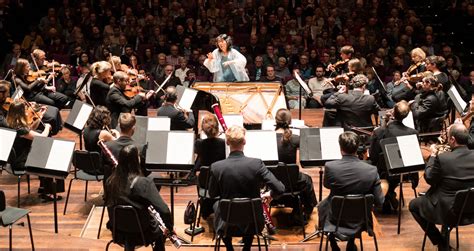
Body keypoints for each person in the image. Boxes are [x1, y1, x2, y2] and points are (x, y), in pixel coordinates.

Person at [208, 126, 285, 251]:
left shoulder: (216, 167)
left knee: (218, 204)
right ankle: (247, 247)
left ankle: (229, 248)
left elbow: (212, 194)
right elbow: (280, 188)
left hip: (227, 223)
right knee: (251, 208)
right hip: (253, 222)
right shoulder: (256, 164)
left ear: (227, 142)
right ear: (244, 142)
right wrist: (269, 194)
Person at [409, 123, 474, 251]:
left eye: (448, 136)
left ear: (453, 140)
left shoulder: (443, 159)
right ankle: (445, 232)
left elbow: (429, 178)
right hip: (470, 209)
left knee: (413, 206)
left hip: (447, 210)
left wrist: (433, 155)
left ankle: (441, 242)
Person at [318, 131, 384, 251]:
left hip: (335, 217)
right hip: (361, 218)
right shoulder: (372, 170)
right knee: (355, 204)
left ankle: (333, 242)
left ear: (340, 148)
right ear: (357, 147)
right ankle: (351, 241)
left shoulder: (330, 167)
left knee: (322, 206)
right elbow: (380, 201)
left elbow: (327, 185)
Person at [105, 144, 172, 251]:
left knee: (131, 220)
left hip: (118, 231)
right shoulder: (143, 183)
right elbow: (164, 210)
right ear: (137, 161)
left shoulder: (110, 181)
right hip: (142, 233)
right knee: (159, 227)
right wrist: (169, 230)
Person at [6, 100, 65, 202]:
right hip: (21, 162)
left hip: (18, 157)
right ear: (20, 113)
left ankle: (44, 187)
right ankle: (49, 192)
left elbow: (30, 129)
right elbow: (42, 137)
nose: (26, 111)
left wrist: (40, 116)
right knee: (50, 158)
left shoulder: (12, 124)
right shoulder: (20, 128)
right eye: (24, 110)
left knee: (45, 151)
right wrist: (47, 127)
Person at [369, 101, 419, 213]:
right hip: (405, 172)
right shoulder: (413, 133)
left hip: (383, 172)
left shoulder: (380, 132)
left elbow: (373, 156)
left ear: (393, 113)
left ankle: (387, 194)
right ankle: (390, 193)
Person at [274, 108, 317, 224]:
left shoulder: (267, 138)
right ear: (290, 122)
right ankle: (305, 210)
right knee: (307, 180)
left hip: (272, 180)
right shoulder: (295, 139)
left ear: (275, 121)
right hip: (291, 180)